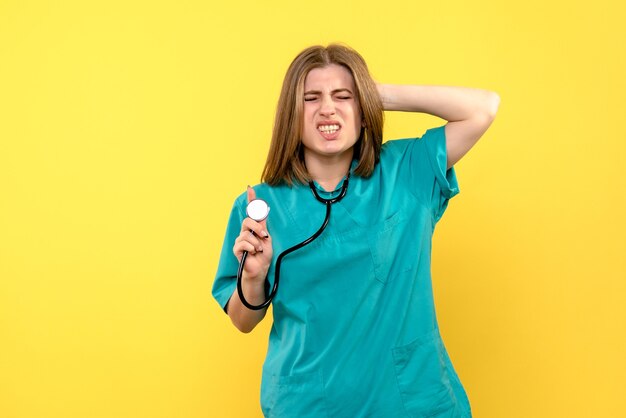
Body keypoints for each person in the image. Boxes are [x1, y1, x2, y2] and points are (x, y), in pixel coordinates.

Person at [213, 44, 499, 417]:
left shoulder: (406, 172)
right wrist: (254, 277)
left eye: (343, 96)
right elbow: (242, 320)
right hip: (310, 404)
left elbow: (483, 109)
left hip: (411, 402)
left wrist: (375, 93)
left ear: (364, 112)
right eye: (310, 98)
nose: (327, 109)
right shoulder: (260, 207)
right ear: (291, 115)